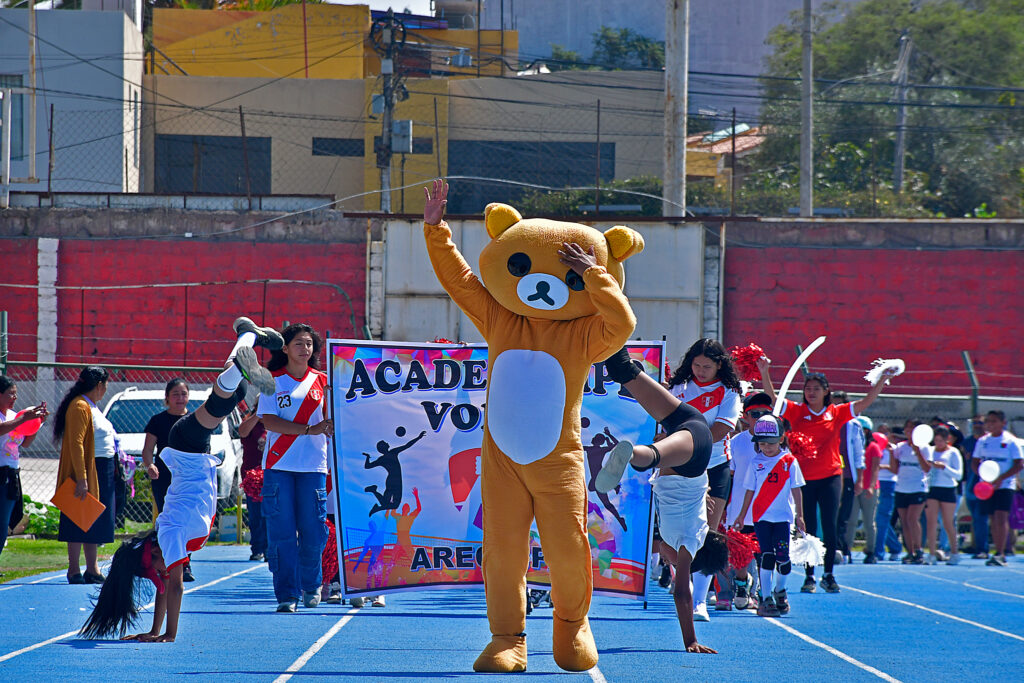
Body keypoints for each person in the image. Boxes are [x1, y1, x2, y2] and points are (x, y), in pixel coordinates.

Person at [79, 317, 281, 641]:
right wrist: (153, 630)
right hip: (191, 454)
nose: (160, 576)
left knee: (219, 401)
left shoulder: (169, 537)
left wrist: (169, 635)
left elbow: (174, 586)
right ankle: (246, 336)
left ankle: (243, 357)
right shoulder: (166, 541)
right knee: (234, 391)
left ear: (151, 556)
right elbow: (164, 587)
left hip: (184, 447)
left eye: (154, 570)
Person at [597, 346, 728, 653]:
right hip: (691, 456)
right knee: (651, 457)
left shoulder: (678, 538)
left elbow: (666, 547)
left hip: (690, 430)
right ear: (697, 557)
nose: (671, 561)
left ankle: (609, 319)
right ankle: (631, 453)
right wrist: (690, 640)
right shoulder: (690, 542)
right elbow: (682, 593)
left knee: (622, 370)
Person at [761, 365, 894, 594]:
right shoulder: (795, 410)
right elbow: (774, 398)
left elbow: (865, 402)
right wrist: (765, 371)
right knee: (808, 526)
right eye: (807, 388)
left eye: (816, 388)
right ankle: (809, 576)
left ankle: (829, 574)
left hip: (831, 476)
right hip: (804, 478)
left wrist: (881, 380)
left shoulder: (836, 412)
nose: (811, 392)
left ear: (826, 391)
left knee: (830, 526)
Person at [662, 338, 742, 618]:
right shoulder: (678, 387)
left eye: (707, 366)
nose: (701, 370)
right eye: (696, 365)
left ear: (720, 365)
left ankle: (700, 600)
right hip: (679, 465)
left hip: (715, 465)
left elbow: (721, 429)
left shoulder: (729, 391)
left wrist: (688, 441)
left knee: (707, 531)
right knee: (674, 530)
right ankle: (680, 581)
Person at [259, 323, 334, 613]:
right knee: (282, 533)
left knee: (314, 530)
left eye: (310, 344)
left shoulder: (324, 381)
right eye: (299, 343)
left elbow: (335, 420)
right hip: (279, 465)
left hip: (314, 466)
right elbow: (268, 420)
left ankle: (311, 585)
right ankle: (286, 594)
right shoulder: (272, 380)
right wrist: (308, 429)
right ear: (286, 348)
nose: (306, 349)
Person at [731, 414, 806, 618]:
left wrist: (800, 515)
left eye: (771, 443)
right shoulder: (756, 463)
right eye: (762, 443)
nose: (767, 447)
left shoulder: (789, 461)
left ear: (781, 439)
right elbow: (748, 490)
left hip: (782, 518)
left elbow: (797, 489)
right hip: (761, 518)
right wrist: (741, 515)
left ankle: (780, 591)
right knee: (766, 557)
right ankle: (765, 597)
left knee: (783, 558)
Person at [52, 366, 115, 584]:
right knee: (77, 517)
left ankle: (92, 569)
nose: (106, 388)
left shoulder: (92, 406)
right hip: (89, 469)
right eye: (106, 384)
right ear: (99, 385)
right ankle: (73, 569)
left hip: (102, 468)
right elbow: (76, 443)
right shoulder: (79, 406)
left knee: (92, 518)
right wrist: (82, 477)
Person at [723, 392, 775, 609]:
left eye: (765, 413)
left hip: (769, 509)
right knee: (740, 553)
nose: (761, 417)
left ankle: (768, 592)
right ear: (745, 417)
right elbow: (730, 475)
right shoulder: (736, 442)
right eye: (755, 414)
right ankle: (742, 584)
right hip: (740, 508)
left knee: (766, 554)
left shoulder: (778, 442)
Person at [141, 378, 194, 580]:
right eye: (175, 394)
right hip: (164, 478)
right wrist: (150, 465)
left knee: (187, 520)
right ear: (167, 398)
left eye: (184, 394)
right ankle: (168, 562)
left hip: (187, 478)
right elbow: (147, 450)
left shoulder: (194, 420)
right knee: (170, 520)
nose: (180, 398)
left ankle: (186, 563)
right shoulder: (157, 421)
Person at [0, 376, 49, 562]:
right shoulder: (13, 419)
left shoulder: (15, 416)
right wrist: (23, 420)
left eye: (16, 394)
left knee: (4, 522)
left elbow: (26, 443)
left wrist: (38, 422)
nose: (14, 398)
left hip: (11, 474)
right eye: (10, 394)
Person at [972, 410, 1024, 567]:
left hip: (1004, 486)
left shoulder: (1010, 441)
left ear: (1003, 423)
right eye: (988, 421)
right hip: (987, 487)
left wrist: (1001, 478)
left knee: (1001, 517)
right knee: (992, 518)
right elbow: (975, 461)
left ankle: (1001, 553)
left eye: (994, 421)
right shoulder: (982, 441)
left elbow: (1019, 464)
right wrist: (982, 476)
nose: (990, 424)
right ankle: (995, 550)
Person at [831, 391, 864, 564]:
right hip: (828, 475)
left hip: (848, 475)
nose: (836, 407)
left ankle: (842, 549)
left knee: (844, 515)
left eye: (840, 404)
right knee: (829, 514)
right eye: (833, 403)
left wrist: (860, 479)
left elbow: (859, 453)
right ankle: (831, 548)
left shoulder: (853, 425)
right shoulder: (824, 420)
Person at [892, 420, 931, 564]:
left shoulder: (925, 448)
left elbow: (927, 468)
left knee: (912, 518)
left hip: (917, 487)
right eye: (907, 429)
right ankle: (910, 551)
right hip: (902, 487)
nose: (909, 432)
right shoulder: (900, 447)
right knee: (904, 521)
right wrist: (891, 454)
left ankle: (919, 549)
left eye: (912, 429)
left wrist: (917, 451)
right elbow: (895, 469)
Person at [925, 425, 963, 565]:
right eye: (936, 440)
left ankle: (954, 552)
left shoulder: (953, 453)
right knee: (931, 522)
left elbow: (959, 475)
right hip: (933, 489)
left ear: (947, 440)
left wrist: (944, 468)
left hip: (948, 489)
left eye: (941, 440)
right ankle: (931, 554)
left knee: (947, 522)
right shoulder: (930, 451)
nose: (938, 444)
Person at [846, 416, 881, 564]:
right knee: (851, 520)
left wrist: (871, 487)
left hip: (868, 488)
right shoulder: (852, 446)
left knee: (869, 522)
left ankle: (871, 550)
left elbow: (875, 469)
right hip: (854, 488)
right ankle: (846, 549)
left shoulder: (873, 447)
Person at [238, 406, 268, 562]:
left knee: (272, 514)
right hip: (253, 477)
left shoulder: (275, 421)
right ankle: (257, 548)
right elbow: (242, 432)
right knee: (256, 514)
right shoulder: (251, 422)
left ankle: (271, 548)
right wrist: (258, 414)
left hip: (272, 475)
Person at [961, 416, 989, 557]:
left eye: (980, 423)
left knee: (982, 517)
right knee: (975, 517)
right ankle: (976, 545)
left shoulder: (988, 441)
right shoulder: (967, 442)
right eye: (975, 423)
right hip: (970, 484)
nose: (977, 425)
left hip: (985, 486)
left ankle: (983, 548)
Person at [873, 424, 902, 561]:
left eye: (886, 432)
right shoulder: (873, 446)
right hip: (875, 482)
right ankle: (895, 546)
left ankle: (879, 550)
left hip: (889, 484)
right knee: (878, 519)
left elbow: (894, 468)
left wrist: (882, 464)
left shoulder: (893, 449)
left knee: (882, 517)